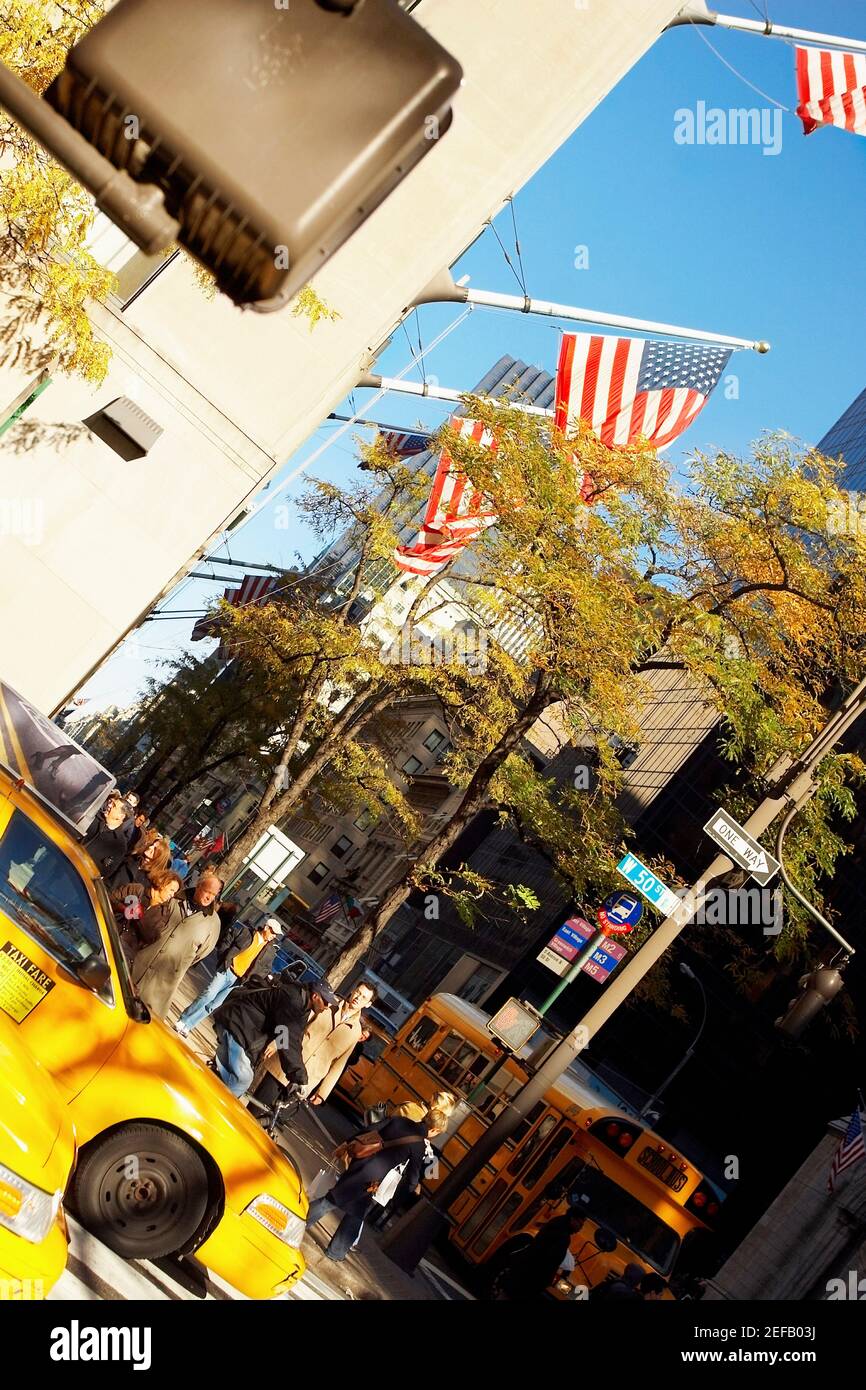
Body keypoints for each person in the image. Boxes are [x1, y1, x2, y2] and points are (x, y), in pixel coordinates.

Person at [306, 1108, 447, 1262]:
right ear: (434, 1130)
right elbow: (412, 1176)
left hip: (360, 1163)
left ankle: (336, 1252)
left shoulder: (399, 1120)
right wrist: (407, 1194)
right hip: (372, 1177)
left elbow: (368, 1129)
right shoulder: (419, 1146)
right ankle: (302, 1222)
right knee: (331, 1201)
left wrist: (346, 1144)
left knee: (356, 1211)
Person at [255, 978, 376, 1109]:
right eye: (358, 992)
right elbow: (297, 1024)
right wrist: (276, 1043)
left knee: (270, 1123)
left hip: (306, 1080)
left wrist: (323, 1092)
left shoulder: (356, 1031)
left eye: (364, 997)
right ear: (353, 991)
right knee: (255, 1109)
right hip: (286, 1062)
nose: (358, 997)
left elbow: (339, 1064)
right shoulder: (329, 1003)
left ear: (368, 1004)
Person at [211, 973, 332, 1099]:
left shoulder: (304, 1006)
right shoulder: (293, 1000)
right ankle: (211, 1108)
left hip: (245, 1032)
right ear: (315, 996)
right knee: (243, 1079)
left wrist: (300, 1077)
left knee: (229, 1077)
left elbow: (295, 1040)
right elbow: (287, 1039)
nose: (327, 1007)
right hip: (235, 1025)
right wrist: (299, 1077)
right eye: (326, 1002)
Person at [130, 871, 223, 1020]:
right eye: (207, 891)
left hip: (161, 985)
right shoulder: (174, 898)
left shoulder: (213, 923)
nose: (209, 897)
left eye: (214, 895)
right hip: (137, 965)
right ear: (198, 886)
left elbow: (201, 954)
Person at [175, 916, 284, 1037]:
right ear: (266, 928)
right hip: (226, 971)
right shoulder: (246, 933)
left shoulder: (270, 952)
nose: (274, 936)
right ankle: (183, 1020)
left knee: (214, 1005)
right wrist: (224, 959)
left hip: (238, 981)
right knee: (208, 994)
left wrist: (249, 981)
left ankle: (189, 1026)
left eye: (276, 935)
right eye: (273, 932)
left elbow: (266, 969)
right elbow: (227, 940)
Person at [491, 1209, 586, 1300]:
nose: (580, 1228)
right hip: (531, 1277)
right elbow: (551, 1261)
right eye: (580, 1224)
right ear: (572, 1219)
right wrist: (547, 1280)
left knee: (508, 1293)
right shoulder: (562, 1235)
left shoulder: (555, 1224)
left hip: (525, 1272)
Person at [111, 868, 184, 959]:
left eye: (175, 892)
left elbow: (152, 937)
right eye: (171, 890)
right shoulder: (138, 890)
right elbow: (110, 898)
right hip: (109, 933)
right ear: (162, 883)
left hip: (125, 951)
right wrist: (124, 909)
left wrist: (140, 917)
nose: (172, 895)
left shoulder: (163, 913)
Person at [84, 793, 131, 881]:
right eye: (111, 803)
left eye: (113, 805)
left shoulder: (120, 845)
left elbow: (104, 873)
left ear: (121, 816)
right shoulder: (93, 818)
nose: (109, 805)